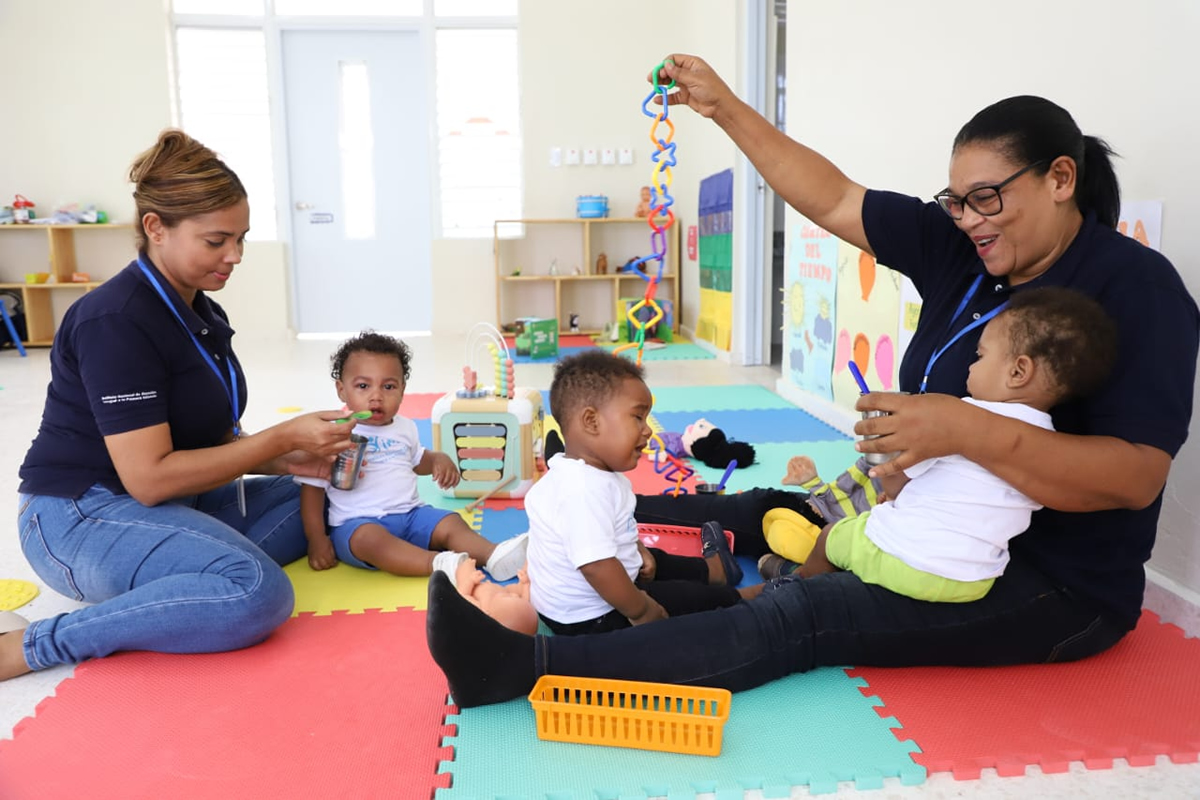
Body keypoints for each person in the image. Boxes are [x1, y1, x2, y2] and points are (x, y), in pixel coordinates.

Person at [425, 54, 1198, 708]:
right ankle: (580, 506)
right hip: (915, 517)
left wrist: (958, 428)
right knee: (762, 507)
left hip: (1039, 581)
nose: (969, 219)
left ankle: (528, 671)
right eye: (956, 201)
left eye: (988, 198)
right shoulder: (965, 247)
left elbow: (1135, 478)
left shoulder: (1137, 291)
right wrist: (724, 107)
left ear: (1061, 178)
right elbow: (831, 196)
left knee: (802, 611)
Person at [3, 130, 360, 682]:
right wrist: (281, 439)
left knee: (326, 494)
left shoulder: (198, 312)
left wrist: (288, 461)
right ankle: (35, 645)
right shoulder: (115, 320)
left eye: (241, 239)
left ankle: (187, 576)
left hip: (170, 501)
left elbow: (209, 441)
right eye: (216, 241)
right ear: (155, 228)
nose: (234, 256)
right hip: (79, 515)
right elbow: (147, 479)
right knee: (257, 592)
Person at [761, 288, 1118, 604]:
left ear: (1017, 372)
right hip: (972, 582)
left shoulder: (957, 417)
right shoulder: (1047, 446)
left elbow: (896, 484)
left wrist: (881, 446)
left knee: (832, 536)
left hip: (908, 562)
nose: (970, 365)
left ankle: (796, 585)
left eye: (980, 356)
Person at [525, 351, 748, 635]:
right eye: (638, 417)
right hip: (595, 616)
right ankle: (753, 599)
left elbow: (612, 536)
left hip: (584, 598)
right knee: (686, 599)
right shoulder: (582, 491)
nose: (647, 431)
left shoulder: (578, 472)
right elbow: (596, 566)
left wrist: (639, 549)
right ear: (592, 422)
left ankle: (715, 572)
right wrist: (642, 610)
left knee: (658, 559)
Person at [297, 331, 528, 581]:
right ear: (342, 390)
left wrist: (438, 459)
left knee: (450, 522)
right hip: (356, 524)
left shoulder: (405, 427)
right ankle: (438, 564)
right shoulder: (332, 433)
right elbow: (312, 491)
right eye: (363, 386)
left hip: (412, 514)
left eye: (388, 386)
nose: (376, 396)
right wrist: (317, 539)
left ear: (403, 389)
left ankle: (492, 555)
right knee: (371, 541)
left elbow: (418, 461)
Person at [454, 558, 538, 636]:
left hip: (473, 586)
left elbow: (462, 596)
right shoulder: (511, 603)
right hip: (501, 589)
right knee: (517, 590)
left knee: (464, 573)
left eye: (508, 597)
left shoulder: (481, 608)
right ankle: (521, 583)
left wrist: (470, 581)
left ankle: (457, 563)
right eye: (517, 597)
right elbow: (525, 601)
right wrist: (525, 584)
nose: (515, 595)